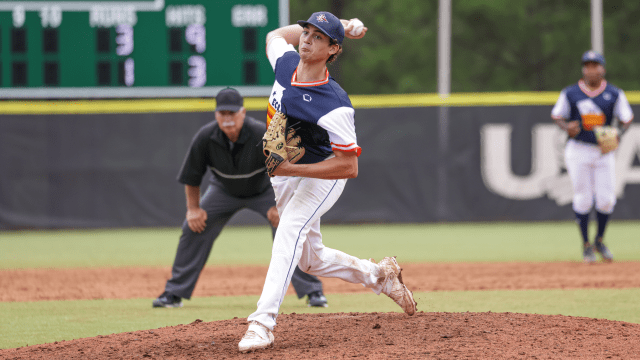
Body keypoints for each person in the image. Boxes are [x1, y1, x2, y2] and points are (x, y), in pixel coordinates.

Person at [237, 12, 417, 353]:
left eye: (318, 36)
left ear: (333, 50)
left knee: (289, 229)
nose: (306, 38)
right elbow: (274, 35)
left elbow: (349, 166)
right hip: (286, 175)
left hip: (322, 175)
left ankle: (262, 323)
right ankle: (378, 275)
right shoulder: (285, 63)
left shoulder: (333, 104)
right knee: (309, 260)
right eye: (306, 31)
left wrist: (293, 171)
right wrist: (344, 26)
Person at [152, 88, 328, 309]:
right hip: (224, 190)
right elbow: (191, 177)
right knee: (193, 227)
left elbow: (287, 170)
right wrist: (193, 210)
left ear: (243, 113)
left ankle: (313, 292)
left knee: (290, 226)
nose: (227, 119)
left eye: (232, 113)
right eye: (222, 113)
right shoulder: (205, 137)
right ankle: (173, 293)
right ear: (216, 115)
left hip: (266, 190)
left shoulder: (261, 133)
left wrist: (280, 205)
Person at [551, 50, 634, 263]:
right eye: (587, 65)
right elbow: (558, 115)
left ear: (602, 69)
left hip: (603, 150)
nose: (591, 69)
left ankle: (599, 240)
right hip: (578, 148)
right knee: (583, 198)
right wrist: (565, 126)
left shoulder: (614, 93)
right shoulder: (571, 93)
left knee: (606, 200)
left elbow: (626, 118)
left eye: (595, 65)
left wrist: (619, 133)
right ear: (583, 69)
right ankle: (586, 245)